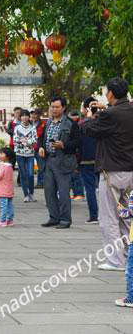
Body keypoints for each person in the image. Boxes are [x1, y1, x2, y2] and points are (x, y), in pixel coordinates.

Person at [83, 78, 133, 271]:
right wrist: (104, 109)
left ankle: (116, 261)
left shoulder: (109, 115)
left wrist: (89, 114)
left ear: (111, 93)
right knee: (126, 216)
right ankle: (129, 255)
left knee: (109, 217)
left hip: (112, 171)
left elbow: (88, 129)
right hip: (130, 171)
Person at [40, 96, 79, 229]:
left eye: (57, 107)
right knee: (49, 191)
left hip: (63, 161)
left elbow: (77, 142)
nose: (54, 109)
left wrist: (64, 145)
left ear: (63, 108)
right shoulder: (48, 122)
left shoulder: (70, 123)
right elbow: (42, 138)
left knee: (63, 192)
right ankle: (53, 217)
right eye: (52, 106)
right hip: (49, 160)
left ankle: (65, 219)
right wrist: (41, 147)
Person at [78, 97, 99, 223]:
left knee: (90, 189)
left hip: (86, 160)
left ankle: (94, 216)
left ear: (86, 109)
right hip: (102, 159)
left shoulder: (83, 124)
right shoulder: (103, 121)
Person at [14, 109, 38, 203]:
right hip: (20, 154)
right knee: (23, 175)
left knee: (31, 174)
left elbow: (34, 140)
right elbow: (15, 139)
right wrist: (27, 141)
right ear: (20, 117)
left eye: (26, 115)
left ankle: (31, 193)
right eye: (22, 116)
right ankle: (26, 195)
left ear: (29, 117)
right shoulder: (17, 128)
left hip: (30, 154)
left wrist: (24, 141)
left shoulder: (33, 128)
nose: (24, 117)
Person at [0, 148, 15, 227]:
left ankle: (3, 221)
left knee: (3, 206)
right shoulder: (10, 166)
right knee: (9, 205)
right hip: (9, 189)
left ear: (7, 156)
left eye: (1, 154)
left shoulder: (4, 166)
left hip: (3, 190)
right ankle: (10, 220)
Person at [30, 108, 46, 188]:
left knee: (41, 167)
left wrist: (42, 147)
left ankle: (41, 183)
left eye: (35, 114)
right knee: (29, 168)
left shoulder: (43, 124)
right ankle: (28, 183)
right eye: (32, 114)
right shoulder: (28, 124)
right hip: (29, 149)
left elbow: (43, 137)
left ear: (39, 115)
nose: (33, 115)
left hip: (39, 148)